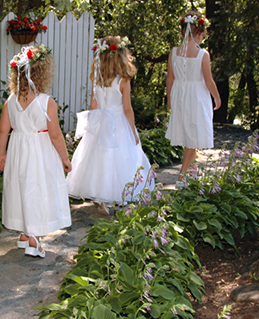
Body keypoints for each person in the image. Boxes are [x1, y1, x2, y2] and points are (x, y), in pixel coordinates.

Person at [0, 45, 72, 258]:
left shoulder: (10, 101)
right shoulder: (47, 102)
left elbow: (3, 130)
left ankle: (23, 233)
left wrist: (2, 154)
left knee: (20, 188)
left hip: (18, 151)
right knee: (37, 191)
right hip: (40, 153)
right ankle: (34, 239)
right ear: (43, 73)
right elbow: (55, 135)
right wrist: (65, 158)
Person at [66, 36, 154, 210]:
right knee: (118, 159)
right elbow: (127, 108)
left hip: (101, 120)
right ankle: (111, 197)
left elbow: (93, 104)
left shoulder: (97, 78)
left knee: (99, 158)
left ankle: (100, 197)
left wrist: (92, 124)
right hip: (119, 122)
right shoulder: (123, 80)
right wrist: (133, 132)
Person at [165, 11, 221, 179]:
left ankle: (192, 173)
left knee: (190, 136)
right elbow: (208, 80)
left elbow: (170, 79)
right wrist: (217, 97)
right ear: (200, 33)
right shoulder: (203, 54)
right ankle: (182, 177)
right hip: (196, 97)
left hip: (180, 96)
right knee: (192, 139)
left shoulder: (173, 52)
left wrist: (170, 99)